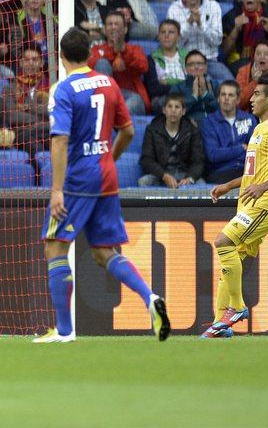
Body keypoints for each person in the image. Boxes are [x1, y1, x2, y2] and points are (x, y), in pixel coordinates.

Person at [37, 27, 169, 343]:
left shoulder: (64, 89)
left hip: (78, 178)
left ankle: (65, 332)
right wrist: (109, 156)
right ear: (90, 54)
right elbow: (128, 131)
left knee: (55, 246)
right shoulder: (109, 83)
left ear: (62, 55)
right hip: (107, 175)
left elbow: (60, 141)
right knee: (103, 252)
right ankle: (150, 298)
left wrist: (56, 189)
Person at [204, 75, 268, 338]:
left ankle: (236, 307)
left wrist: (263, 187)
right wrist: (228, 186)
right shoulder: (259, 128)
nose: (251, 98)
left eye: (257, 94)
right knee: (230, 260)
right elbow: (252, 174)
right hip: (249, 204)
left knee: (223, 242)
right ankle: (219, 325)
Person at [166, 0, 231, 83]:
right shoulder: (174, 9)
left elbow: (217, 41)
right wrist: (189, 23)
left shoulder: (213, 6)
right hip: (184, 63)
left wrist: (201, 25)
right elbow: (173, 44)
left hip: (209, 62)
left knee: (231, 85)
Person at [88, 10, 150, 115]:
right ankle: (110, 113)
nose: (113, 27)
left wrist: (124, 53)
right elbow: (90, 69)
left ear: (125, 29)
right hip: (104, 96)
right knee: (102, 63)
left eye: (117, 24)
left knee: (134, 102)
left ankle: (111, 117)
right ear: (104, 29)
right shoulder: (96, 49)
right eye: (110, 24)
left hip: (130, 96)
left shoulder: (134, 49)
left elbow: (143, 66)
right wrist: (115, 53)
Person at [138, 92, 206, 187]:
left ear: (183, 111)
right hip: (160, 174)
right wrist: (164, 176)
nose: (173, 110)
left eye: (177, 107)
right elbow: (146, 160)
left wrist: (190, 178)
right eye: (169, 106)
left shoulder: (192, 130)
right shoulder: (152, 129)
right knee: (144, 182)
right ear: (164, 110)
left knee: (201, 184)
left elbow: (198, 161)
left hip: (184, 174)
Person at [201, 81, 258, 183]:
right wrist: (240, 148)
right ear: (218, 98)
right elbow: (213, 155)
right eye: (223, 94)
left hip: (246, 171)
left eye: (231, 95)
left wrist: (225, 152)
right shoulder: (209, 122)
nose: (226, 98)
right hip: (220, 172)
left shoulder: (249, 119)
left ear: (238, 100)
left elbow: (255, 151)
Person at [221, 0, 268, 69]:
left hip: (266, 62)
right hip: (238, 63)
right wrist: (236, 30)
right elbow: (224, 51)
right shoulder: (232, 16)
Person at [145, 20, 187, 113]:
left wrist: (168, 82)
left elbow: (195, 84)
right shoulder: (151, 59)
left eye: (171, 32)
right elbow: (154, 89)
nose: (166, 35)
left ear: (179, 37)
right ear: (159, 36)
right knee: (174, 104)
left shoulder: (188, 57)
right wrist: (183, 84)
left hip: (186, 97)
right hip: (162, 99)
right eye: (163, 32)